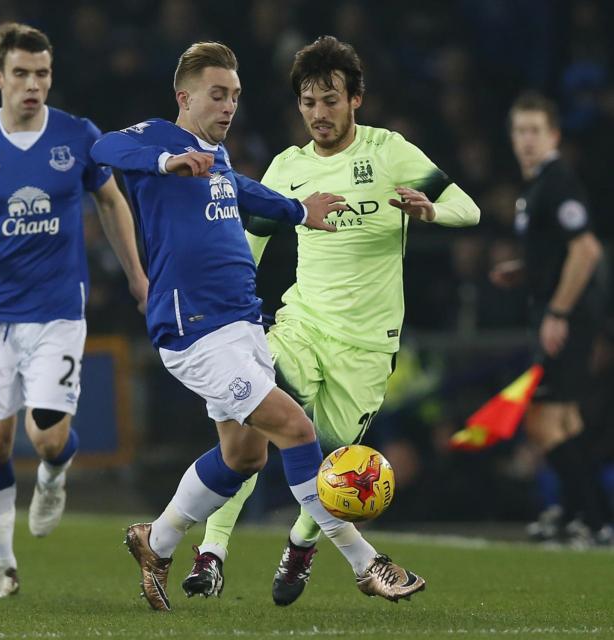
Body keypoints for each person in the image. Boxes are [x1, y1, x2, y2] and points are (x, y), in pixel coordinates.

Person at [92, 41, 419, 613]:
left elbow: (243, 190)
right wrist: (165, 162)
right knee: (296, 429)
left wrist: (298, 210)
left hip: (241, 323)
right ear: (184, 96)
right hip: (194, 328)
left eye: (236, 97)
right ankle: (367, 564)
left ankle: (156, 540)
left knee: (244, 456)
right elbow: (103, 146)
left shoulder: (214, 158)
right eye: (217, 95)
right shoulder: (158, 143)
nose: (228, 107)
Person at [182, 35, 480, 606]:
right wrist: (229, 305)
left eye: (331, 101)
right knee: (257, 428)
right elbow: (253, 242)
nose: (320, 114)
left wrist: (431, 210)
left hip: (368, 346)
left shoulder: (389, 151)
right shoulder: (287, 169)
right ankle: (210, 554)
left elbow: (469, 208)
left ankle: (301, 544)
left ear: (355, 100)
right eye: (310, 103)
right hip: (302, 325)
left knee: (335, 473)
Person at [0, 23, 148, 598]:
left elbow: (112, 201)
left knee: (46, 438)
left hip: (56, 311)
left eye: (41, 74)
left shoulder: (77, 136)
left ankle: (53, 475)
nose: (32, 84)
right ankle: (3, 564)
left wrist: (139, 277)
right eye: (21, 74)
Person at [491, 92, 610, 546]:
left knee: (541, 420)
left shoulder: (557, 182)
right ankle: (583, 514)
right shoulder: (540, 184)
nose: (526, 140)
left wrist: (558, 313)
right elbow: (560, 251)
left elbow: (587, 250)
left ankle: (591, 517)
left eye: (535, 131)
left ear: (553, 135)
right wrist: (526, 271)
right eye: (520, 131)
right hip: (560, 311)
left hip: (569, 315)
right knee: (566, 421)